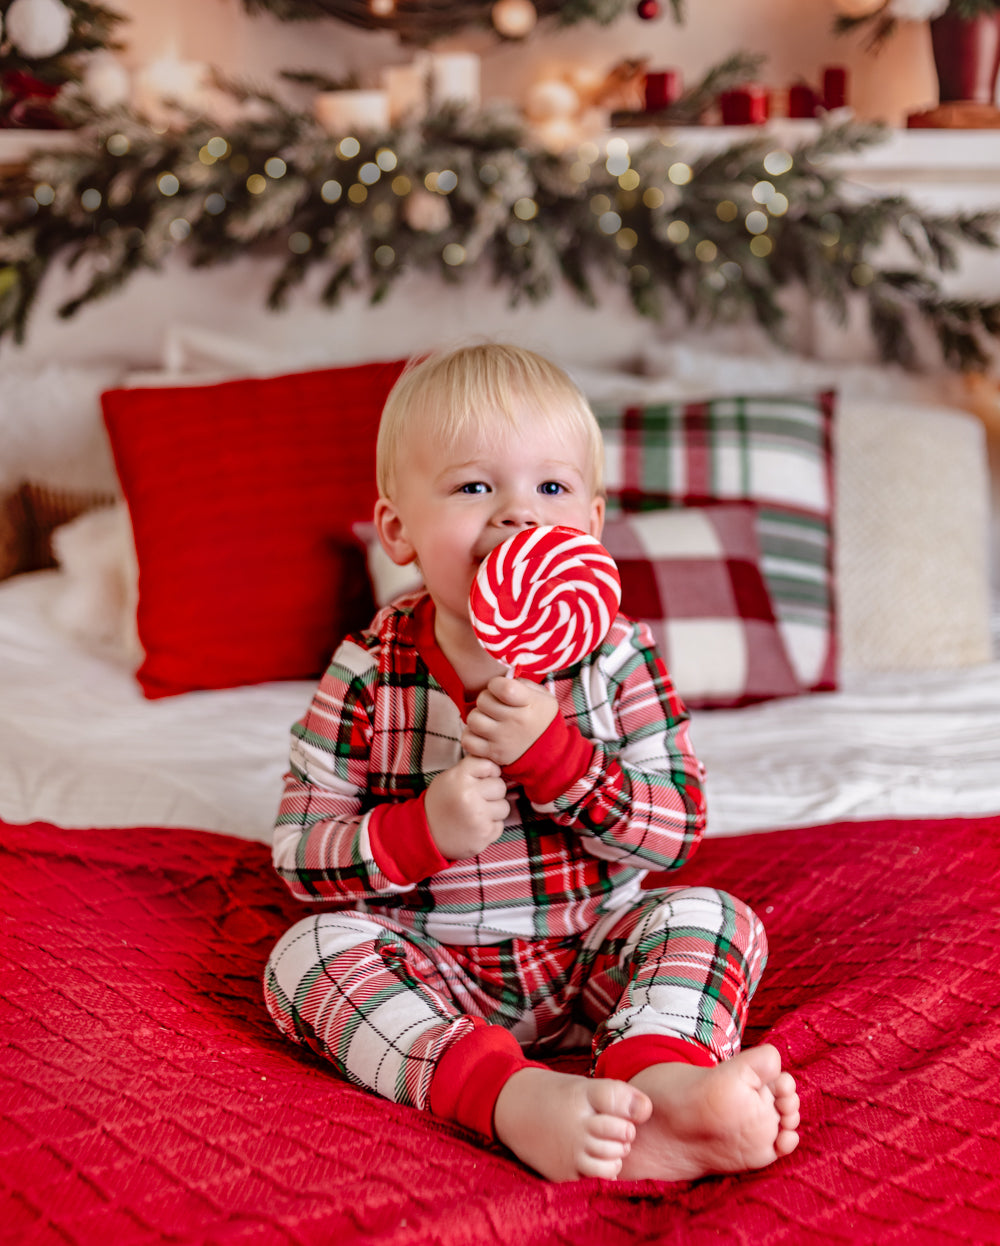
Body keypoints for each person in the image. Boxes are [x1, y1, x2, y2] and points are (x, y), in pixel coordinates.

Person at [264, 343, 800, 1183]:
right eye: (475, 486)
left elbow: (676, 832)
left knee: (713, 915)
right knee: (305, 957)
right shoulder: (367, 671)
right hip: (431, 965)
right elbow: (300, 858)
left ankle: (660, 1091)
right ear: (399, 529)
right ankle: (512, 1101)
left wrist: (560, 760)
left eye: (549, 487)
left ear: (588, 526)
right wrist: (420, 831)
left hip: (594, 948)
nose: (517, 514)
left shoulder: (617, 658)